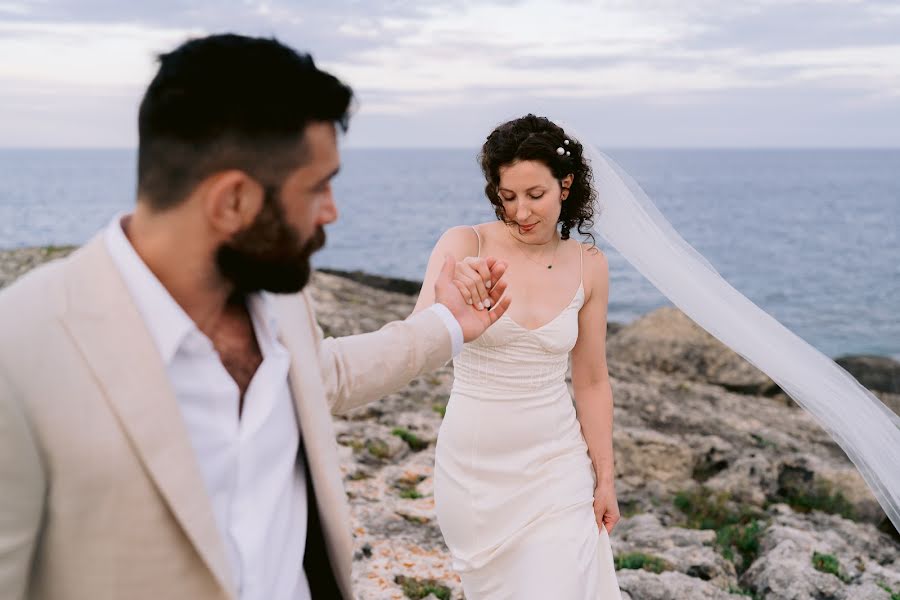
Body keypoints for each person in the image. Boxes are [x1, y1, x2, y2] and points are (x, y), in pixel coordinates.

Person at [0, 34, 511, 600]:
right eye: (318, 187)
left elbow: (325, 375)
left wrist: (446, 324)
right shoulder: (21, 353)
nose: (332, 212)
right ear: (233, 202)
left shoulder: (278, 297)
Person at [412, 114, 623, 598]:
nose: (522, 212)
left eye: (536, 196)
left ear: (565, 185)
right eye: (508, 197)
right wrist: (451, 298)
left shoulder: (591, 266)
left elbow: (591, 381)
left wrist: (605, 478)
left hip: (559, 467)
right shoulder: (465, 244)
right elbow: (416, 344)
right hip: (475, 473)